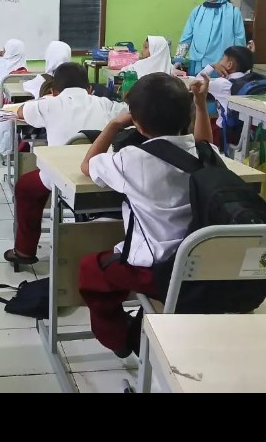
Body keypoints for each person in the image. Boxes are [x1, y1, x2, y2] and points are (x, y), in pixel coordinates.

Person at [78, 72, 212, 357]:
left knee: (92, 269)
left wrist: (114, 125)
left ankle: (122, 339)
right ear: (187, 113)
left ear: (136, 122)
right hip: (207, 266)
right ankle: (143, 323)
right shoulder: (203, 154)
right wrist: (201, 105)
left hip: (160, 271)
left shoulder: (131, 160)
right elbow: (204, 143)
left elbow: (87, 165)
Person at [3, 63, 130, 265]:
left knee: (26, 187)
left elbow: (21, 112)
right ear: (89, 89)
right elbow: (129, 113)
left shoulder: (49, 104)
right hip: (102, 175)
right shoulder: (106, 104)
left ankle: (24, 251)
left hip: (60, 177)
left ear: (53, 91)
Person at [176, 0, 246, 76]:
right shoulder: (198, 11)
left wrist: (238, 65)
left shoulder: (233, 12)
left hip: (223, 65)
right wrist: (179, 58)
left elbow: (239, 40)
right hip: (198, 63)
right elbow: (187, 36)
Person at [197, 45, 254, 148]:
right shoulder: (249, 81)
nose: (220, 61)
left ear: (229, 65)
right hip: (246, 131)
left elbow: (196, 84)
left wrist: (212, 66)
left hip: (224, 133)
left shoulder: (222, 83)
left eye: (223, 58)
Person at [0, 39, 29, 147]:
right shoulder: (23, 63)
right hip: (24, 102)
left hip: (5, 103)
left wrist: (1, 57)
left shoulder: (1, 65)